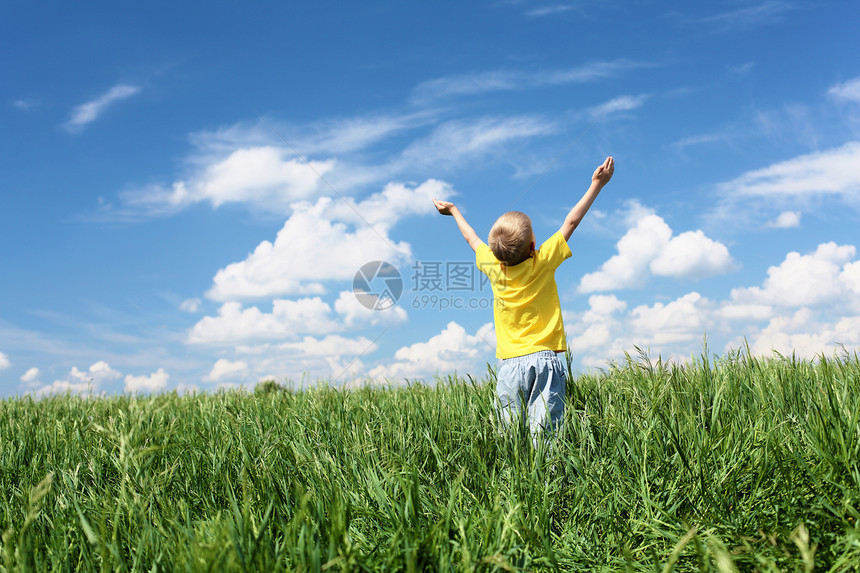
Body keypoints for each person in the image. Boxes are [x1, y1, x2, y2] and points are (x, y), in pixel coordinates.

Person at [433, 157, 615, 439]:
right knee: (546, 433)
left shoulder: (493, 267)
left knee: (507, 432)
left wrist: (453, 210)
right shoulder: (542, 261)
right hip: (546, 360)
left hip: (509, 366)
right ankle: (548, 479)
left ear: (494, 254)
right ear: (533, 245)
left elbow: (472, 239)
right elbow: (572, 221)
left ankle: (510, 478)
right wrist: (597, 185)